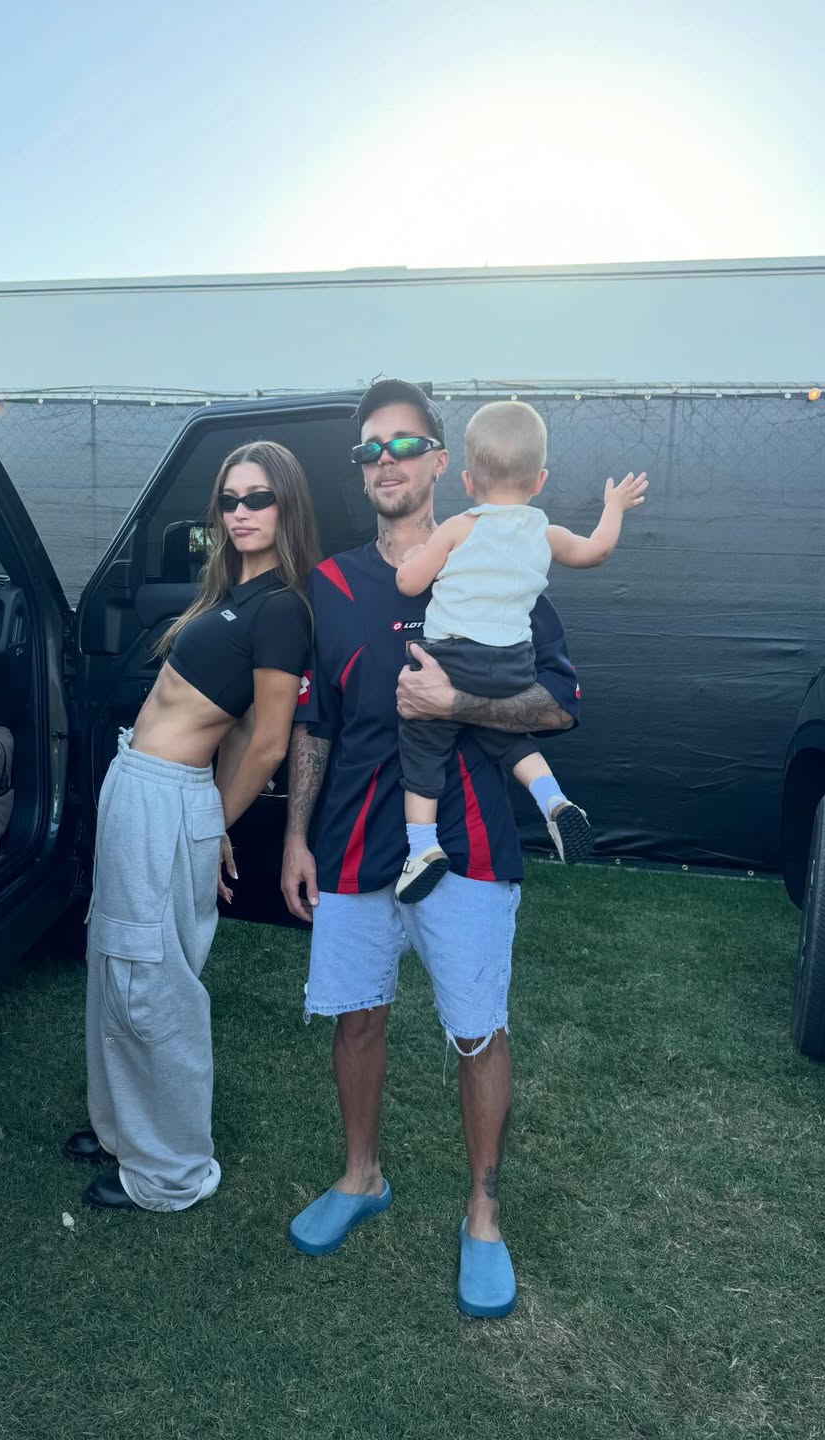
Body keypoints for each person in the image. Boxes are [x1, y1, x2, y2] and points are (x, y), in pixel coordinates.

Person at [280, 379, 582, 1319]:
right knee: (356, 1019)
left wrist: (459, 703)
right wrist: (295, 836)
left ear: (443, 462)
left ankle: (483, 1217)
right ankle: (361, 1176)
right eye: (369, 449)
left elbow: (557, 705)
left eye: (404, 445)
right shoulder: (333, 584)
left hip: (472, 844)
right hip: (353, 844)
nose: (386, 463)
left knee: (477, 1031)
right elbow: (316, 723)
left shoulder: (503, 552)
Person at [66, 440, 319, 1213]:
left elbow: (267, 741)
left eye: (258, 498)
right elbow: (234, 731)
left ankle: (171, 1170)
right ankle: (122, 1129)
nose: (241, 512)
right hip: (141, 788)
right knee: (115, 959)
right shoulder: (227, 594)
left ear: (287, 506)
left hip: (168, 798)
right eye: (229, 500)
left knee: (152, 982)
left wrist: (209, 821)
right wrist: (207, 816)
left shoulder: (281, 608)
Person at [392, 400, 647, 902]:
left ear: (467, 482)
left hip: (453, 657)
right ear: (540, 480)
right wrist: (614, 508)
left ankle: (422, 848)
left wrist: (417, 554)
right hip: (513, 664)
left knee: (421, 738)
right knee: (503, 732)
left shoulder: (459, 527)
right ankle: (553, 800)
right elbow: (597, 551)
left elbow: (408, 584)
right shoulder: (545, 533)